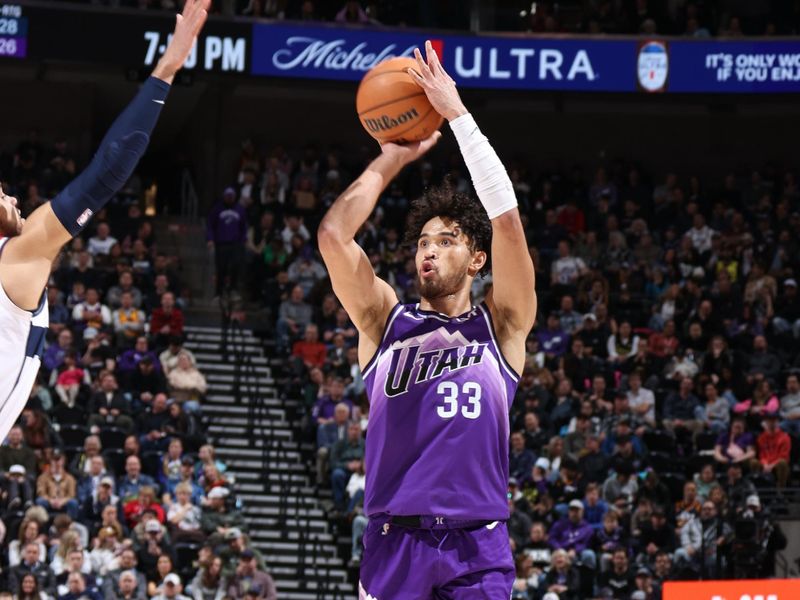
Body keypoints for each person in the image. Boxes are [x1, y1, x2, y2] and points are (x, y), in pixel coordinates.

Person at [318, 41, 536, 599]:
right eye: (422, 242)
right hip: (395, 543)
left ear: (477, 259)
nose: (428, 251)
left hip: (478, 546)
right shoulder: (383, 321)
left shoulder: (502, 326)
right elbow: (333, 237)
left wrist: (459, 116)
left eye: (446, 240)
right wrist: (391, 158)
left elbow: (507, 221)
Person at [0, 0, 209, 444]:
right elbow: (104, 175)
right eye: (1, 195)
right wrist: (167, 70)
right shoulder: (15, 257)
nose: (13, 196)